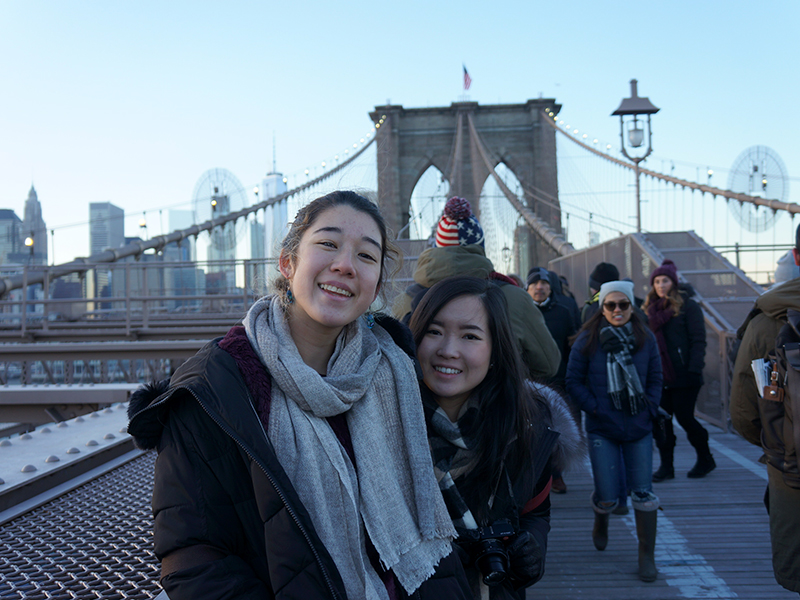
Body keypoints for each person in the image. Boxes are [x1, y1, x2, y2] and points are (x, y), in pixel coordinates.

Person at [127, 191, 471, 600]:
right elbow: (194, 556)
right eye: (328, 244)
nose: (344, 264)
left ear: (376, 284)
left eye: (366, 256)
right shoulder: (216, 390)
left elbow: (429, 535)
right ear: (288, 264)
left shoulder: (392, 372)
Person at [409, 276, 582, 600]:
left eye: (470, 336)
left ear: (494, 351)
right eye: (434, 331)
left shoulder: (525, 431)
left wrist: (533, 547)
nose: (448, 350)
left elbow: (535, 511)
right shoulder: (379, 427)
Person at [393, 196, 560, 380]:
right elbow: (548, 364)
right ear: (479, 247)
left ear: (437, 246)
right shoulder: (514, 298)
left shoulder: (405, 300)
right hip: (495, 406)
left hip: (420, 407)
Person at [566, 280, 663, 582]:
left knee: (643, 492)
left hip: (639, 426)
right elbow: (573, 381)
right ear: (602, 307)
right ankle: (602, 515)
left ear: (632, 308)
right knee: (609, 495)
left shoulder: (645, 338)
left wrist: (649, 406)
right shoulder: (587, 340)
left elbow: (657, 376)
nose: (617, 310)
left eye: (623, 305)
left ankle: (646, 557)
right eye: (611, 305)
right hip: (602, 427)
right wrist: (594, 408)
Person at [730, 224, 800, 594]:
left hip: (791, 469)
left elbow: (742, 411)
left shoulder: (764, 322)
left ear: (796, 257)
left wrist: (777, 443)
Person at [643, 259, 713, 481]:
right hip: (659, 376)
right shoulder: (650, 311)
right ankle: (667, 467)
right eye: (656, 281)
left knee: (685, 418)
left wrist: (694, 369)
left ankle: (705, 458)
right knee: (662, 423)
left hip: (685, 375)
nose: (661, 285)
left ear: (673, 283)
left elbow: (698, 339)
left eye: (665, 280)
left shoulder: (688, 307)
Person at [526, 267, 579, 494]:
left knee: (557, 431)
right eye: (535, 284)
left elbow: (572, 346)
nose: (540, 287)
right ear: (527, 289)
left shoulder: (564, 311)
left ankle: (556, 476)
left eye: (544, 284)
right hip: (529, 381)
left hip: (559, 380)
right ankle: (533, 479)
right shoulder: (520, 313)